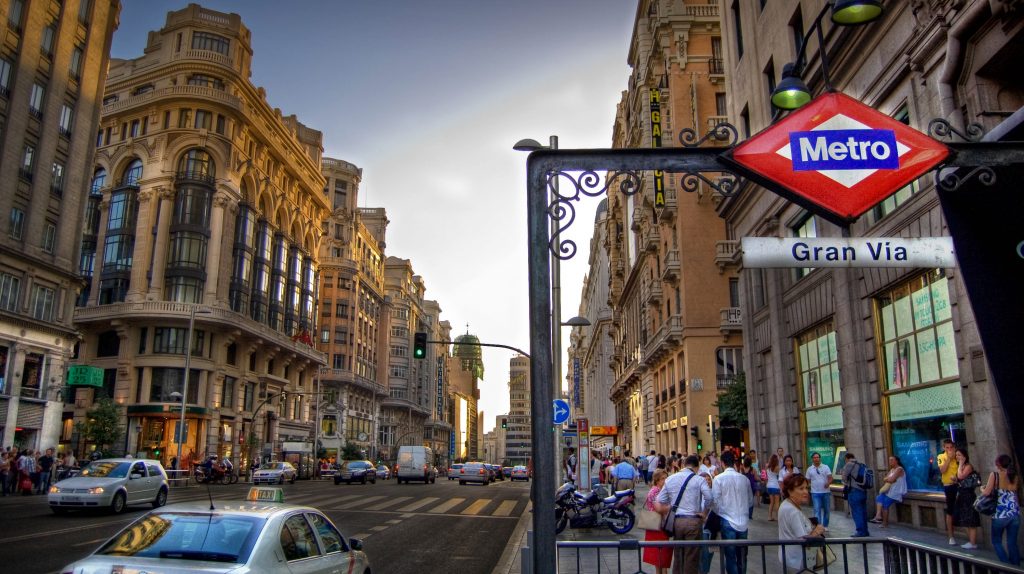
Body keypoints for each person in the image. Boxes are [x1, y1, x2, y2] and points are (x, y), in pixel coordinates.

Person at [656, 454, 714, 574]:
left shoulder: (671, 479)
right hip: (693, 521)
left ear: (683, 465)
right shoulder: (699, 479)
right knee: (691, 556)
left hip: (677, 522)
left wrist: (669, 507)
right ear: (696, 467)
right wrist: (704, 513)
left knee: (678, 554)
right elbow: (709, 498)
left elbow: (659, 500)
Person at [778, 473, 827, 573]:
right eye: (801, 488)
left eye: (806, 488)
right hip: (798, 562)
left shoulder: (787, 504)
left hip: (789, 558)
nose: (806, 492)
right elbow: (804, 541)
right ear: (790, 491)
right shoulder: (793, 511)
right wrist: (817, 531)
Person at [712, 450, 752, 574]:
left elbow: (715, 502)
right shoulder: (744, 479)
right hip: (743, 522)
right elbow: (750, 501)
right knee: (742, 555)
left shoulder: (718, 479)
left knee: (730, 556)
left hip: (727, 519)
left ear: (722, 463)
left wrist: (722, 511)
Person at [983, 454, 1020, 565]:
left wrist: (982, 488)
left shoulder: (995, 475)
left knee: (996, 541)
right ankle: (1016, 566)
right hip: (1014, 513)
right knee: (1012, 542)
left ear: (998, 463)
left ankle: (1005, 565)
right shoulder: (1014, 475)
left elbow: (987, 493)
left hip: (1000, 513)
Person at [643, 469, 673, 574]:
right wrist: (670, 507)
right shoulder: (655, 491)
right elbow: (659, 508)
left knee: (660, 555)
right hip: (657, 524)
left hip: (659, 524)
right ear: (657, 480)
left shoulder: (661, 490)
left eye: (666, 478)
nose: (665, 481)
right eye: (663, 479)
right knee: (661, 554)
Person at [954, 448, 981, 549]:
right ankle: (971, 541)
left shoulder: (968, 466)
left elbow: (961, 476)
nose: (957, 457)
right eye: (956, 455)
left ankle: (973, 542)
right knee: (964, 519)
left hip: (968, 495)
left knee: (971, 519)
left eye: (959, 455)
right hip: (962, 494)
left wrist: (961, 464)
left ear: (965, 456)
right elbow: (959, 479)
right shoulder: (962, 466)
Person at [871, 455, 907, 528]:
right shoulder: (892, 470)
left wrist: (889, 479)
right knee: (879, 497)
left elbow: (889, 479)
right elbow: (885, 479)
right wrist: (890, 479)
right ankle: (878, 515)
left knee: (885, 504)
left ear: (896, 461)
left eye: (892, 460)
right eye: (889, 460)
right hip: (890, 491)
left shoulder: (899, 469)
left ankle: (885, 523)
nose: (890, 462)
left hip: (897, 492)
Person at [839, 453, 870, 537]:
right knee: (863, 511)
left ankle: (860, 531)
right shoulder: (861, 464)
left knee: (856, 512)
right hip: (863, 490)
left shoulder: (849, 464)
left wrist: (843, 474)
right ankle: (865, 531)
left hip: (854, 491)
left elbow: (844, 478)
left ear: (846, 458)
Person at [938, 438, 960, 545]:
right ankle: (951, 536)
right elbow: (942, 470)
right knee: (950, 510)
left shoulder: (958, 456)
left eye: (951, 447)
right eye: (947, 448)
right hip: (949, 485)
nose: (949, 450)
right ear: (944, 448)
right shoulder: (941, 457)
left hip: (959, 484)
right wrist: (949, 459)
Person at [806, 452, 832, 528]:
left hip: (826, 492)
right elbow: (807, 480)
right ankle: (818, 526)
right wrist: (808, 487)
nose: (816, 459)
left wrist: (828, 483)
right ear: (812, 459)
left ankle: (825, 526)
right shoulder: (809, 469)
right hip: (815, 492)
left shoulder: (825, 467)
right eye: (814, 457)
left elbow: (830, 478)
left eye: (817, 457)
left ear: (820, 458)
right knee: (817, 510)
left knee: (827, 510)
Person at [766, 454, 782, 521]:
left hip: (769, 485)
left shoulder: (767, 466)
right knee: (777, 502)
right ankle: (777, 517)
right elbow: (780, 476)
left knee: (771, 502)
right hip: (775, 485)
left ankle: (769, 516)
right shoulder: (777, 467)